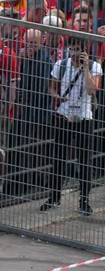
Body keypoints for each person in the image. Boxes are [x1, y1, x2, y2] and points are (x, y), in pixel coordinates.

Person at [43, 37, 100, 216]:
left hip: (84, 117)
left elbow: (92, 90)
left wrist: (84, 68)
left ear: (84, 51)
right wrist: (57, 96)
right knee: (58, 158)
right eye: (72, 49)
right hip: (64, 115)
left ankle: (84, 200)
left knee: (85, 160)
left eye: (78, 50)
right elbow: (51, 88)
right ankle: (54, 196)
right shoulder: (61, 65)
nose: (74, 54)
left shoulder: (94, 67)